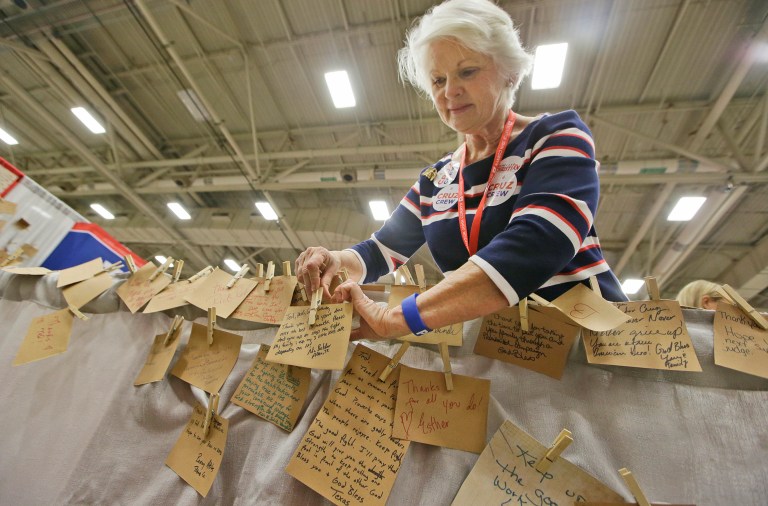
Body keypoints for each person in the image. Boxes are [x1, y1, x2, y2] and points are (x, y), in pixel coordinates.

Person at [295, 0, 627, 340]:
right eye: (438, 80)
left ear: (509, 71)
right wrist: (336, 259)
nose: (450, 91)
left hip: (583, 345)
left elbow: (537, 244)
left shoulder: (554, 136)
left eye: (467, 71)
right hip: (498, 348)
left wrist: (398, 318)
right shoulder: (435, 180)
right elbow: (381, 250)